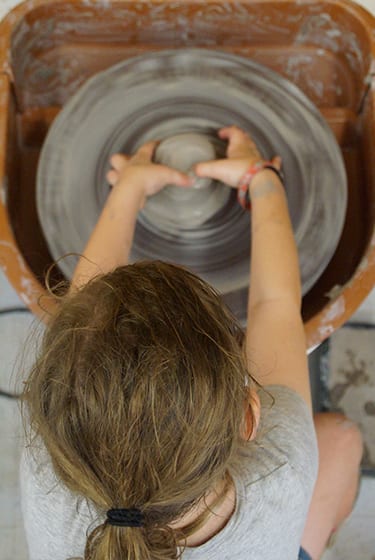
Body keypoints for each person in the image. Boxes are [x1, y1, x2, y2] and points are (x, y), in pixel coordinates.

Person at [20, 126, 363, 560]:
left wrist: (128, 190)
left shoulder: (47, 471)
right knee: (341, 440)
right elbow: (273, 306)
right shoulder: (278, 476)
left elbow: (87, 318)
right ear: (248, 417)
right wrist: (262, 181)